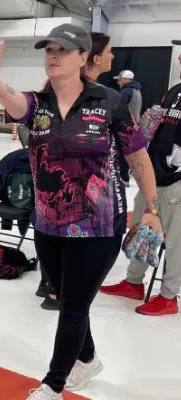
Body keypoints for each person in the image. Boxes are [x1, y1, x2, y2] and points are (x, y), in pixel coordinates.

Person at [0, 24, 162, 399]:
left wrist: (151, 209)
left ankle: (53, 384)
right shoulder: (38, 104)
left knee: (72, 305)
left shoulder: (109, 102)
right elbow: (10, 100)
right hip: (48, 222)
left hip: (98, 225)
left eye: (62, 50)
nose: (52, 55)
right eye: (48, 49)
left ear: (83, 58)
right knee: (69, 300)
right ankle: (88, 357)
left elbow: (139, 158)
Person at [99, 46, 181, 317]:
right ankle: (133, 282)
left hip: (177, 181)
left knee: (176, 239)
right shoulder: (175, 91)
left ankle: (168, 297)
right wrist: (149, 124)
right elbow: (157, 131)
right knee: (139, 229)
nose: (179, 58)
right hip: (153, 174)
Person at [37, 31, 116, 311]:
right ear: (92, 58)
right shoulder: (69, 93)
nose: (112, 57)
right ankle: (54, 287)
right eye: (108, 51)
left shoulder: (102, 96)